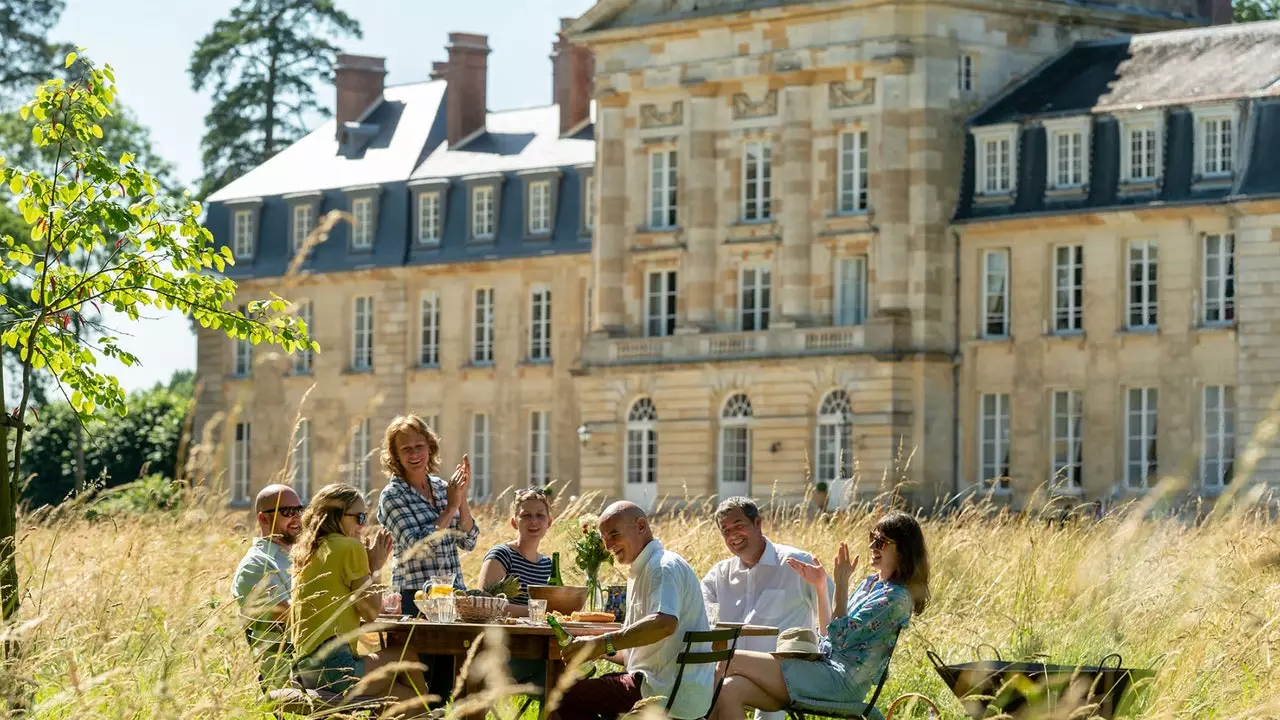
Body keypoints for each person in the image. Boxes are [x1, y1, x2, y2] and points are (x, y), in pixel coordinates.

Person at [707, 512, 930, 720]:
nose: (873, 545)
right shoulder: (870, 584)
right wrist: (821, 587)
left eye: (881, 542)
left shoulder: (896, 598)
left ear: (902, 551)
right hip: (823, 669)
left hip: (840, 682)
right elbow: (828, 633)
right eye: (872, 538)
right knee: (729, 690)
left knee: (728, 658)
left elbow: (840, 639)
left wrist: (841, 585)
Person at [552, 501, 712, 720]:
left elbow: (664, 624)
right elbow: (638, 649)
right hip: (677, 692)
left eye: (614, 534)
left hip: (662, 692)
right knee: (587, 693)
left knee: (561, 697)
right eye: (604, 538)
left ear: (641, 526)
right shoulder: (645, 568)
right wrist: (595, 648)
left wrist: (601, 643)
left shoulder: (661, 567)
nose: (608, 545)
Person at [290, 483, 428, 708]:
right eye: (359, 517)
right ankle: (434, 714)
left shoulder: (307, 550)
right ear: (336, 516)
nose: (362, 526)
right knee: (406, 656)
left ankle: (427, 713)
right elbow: (372, 612)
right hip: (336, 668)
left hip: (304, 670)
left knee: (403, 697)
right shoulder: (349, 547)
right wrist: (375, 566)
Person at [701, 497, 833, 720]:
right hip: (732, 674)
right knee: (717, 688)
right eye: (725, 530)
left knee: (720, 686)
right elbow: (698, 611)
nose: (732, 535)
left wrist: (821, 589)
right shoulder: (720, 574)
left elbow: (835, 620)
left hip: (785, 675)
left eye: (739, 526)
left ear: (758, 524)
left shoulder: (796, 563)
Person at [376, 414, 480, 614]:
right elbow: (417, 547)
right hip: (415, 600)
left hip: (454, 597)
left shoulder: (443, 488)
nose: (414, 454)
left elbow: (469, 541)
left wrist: (461, 497)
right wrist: (450, 509)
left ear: (430, 447)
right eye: (406, 449)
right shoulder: (392, 496)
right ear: (396, 456)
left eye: (419, 446)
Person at [231, 484, 303, 687]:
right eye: (288, 511)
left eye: (300, 510)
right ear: (263, 518)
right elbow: (289, 615)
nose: (297, 517)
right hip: (294, 670)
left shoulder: (302, 556)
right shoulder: (256, 565)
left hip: (320, 655)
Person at [477, 487, 554, 615]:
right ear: (514, 522)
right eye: (526, 515)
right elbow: (483, 604)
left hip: (541, 634)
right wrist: (536, 611)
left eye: (540, 515)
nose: (534, 521)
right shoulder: (501, 555)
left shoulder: (548, 564)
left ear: (549, 522)